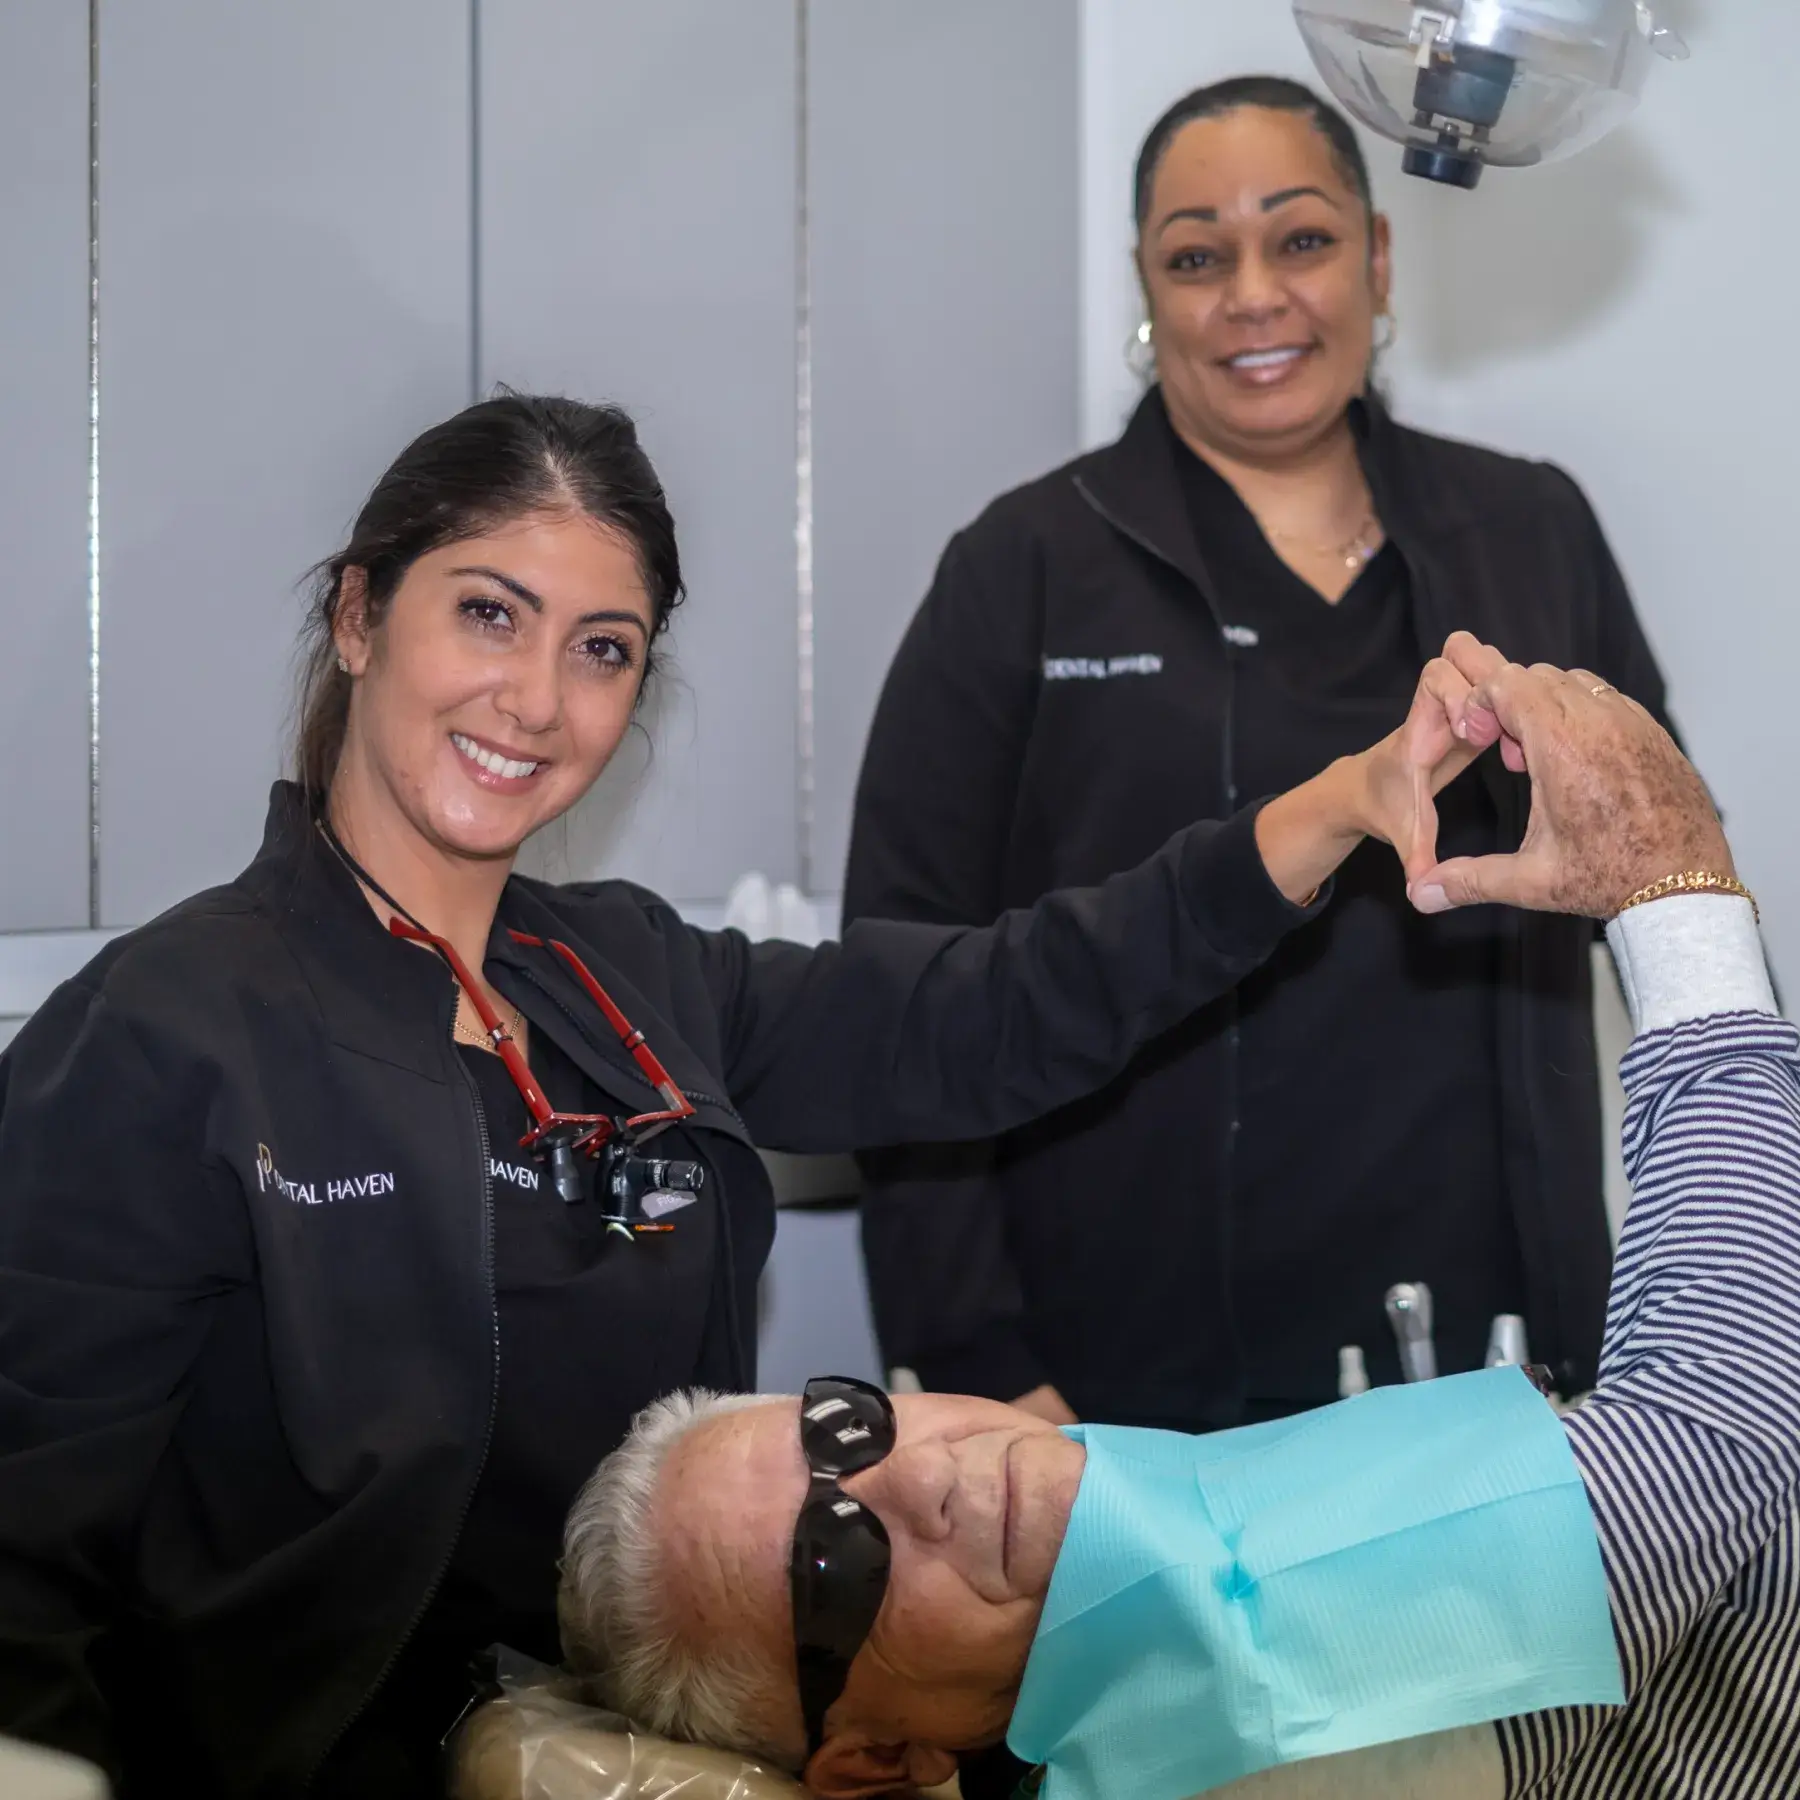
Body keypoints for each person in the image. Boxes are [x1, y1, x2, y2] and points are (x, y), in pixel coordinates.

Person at [0, 394, 1476, 1800]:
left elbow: (996, 1011)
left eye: (603, 648)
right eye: (487, 612)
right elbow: (23, 1563)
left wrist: (1332, 808)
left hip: (682, 1753)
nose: (534, 699)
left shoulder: (633, 975)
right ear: (359, 615)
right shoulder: (162, 1036)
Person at [563, 639, 1796, 1800]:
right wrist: (1673, 888)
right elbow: (1714, 1447)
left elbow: (1007, 997)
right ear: (874, 1762)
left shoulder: (1158, 1594)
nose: (919, 1482)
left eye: (845, 1425)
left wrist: (1330, 810)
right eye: (837, 1565)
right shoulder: (1228, 1714)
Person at [845, 76, 1674, 1444]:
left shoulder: (1529, 531)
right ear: (1147, 288)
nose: (1253, 294)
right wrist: (980, 1360)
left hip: (1500, 1350)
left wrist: (1718, 1269)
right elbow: (905, 978)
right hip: (1128, 1371)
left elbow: (1662, 889)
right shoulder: (1026, 570)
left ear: (1377, 256)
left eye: (1300, 239)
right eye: (1196, 255)